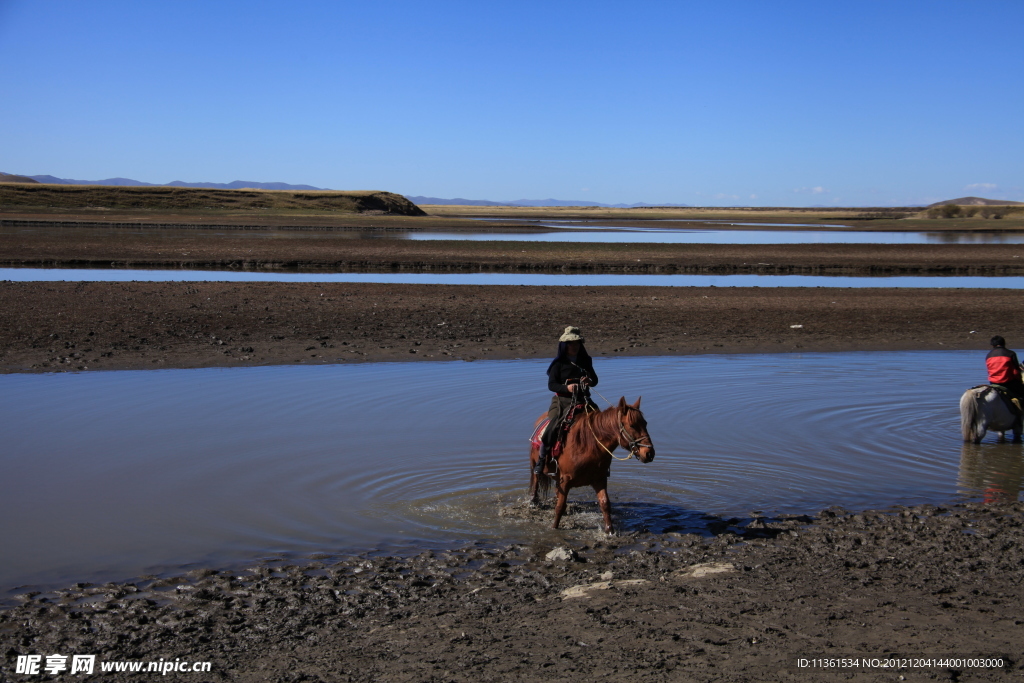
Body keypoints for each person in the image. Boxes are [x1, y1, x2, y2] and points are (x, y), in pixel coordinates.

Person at [534, 326, 599, 475]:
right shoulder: (558, 364)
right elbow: (551, 385)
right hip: (562, 401)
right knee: (554, 424)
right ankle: (542, 459)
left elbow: (595, 380)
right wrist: (567, 388)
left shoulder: (586, 361)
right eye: (571, 343)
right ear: (564, 345)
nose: (574, 346)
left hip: (584, 401)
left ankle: (601, 462)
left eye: (576, 343)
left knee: (601, 423)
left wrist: (589, 381)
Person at [986, 335, 1024, 407]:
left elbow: (989, 370)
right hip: (1008, 383)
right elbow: (1016, 371)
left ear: (992, 345)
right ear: (1004, 343)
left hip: (993, 382)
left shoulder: (989, 355)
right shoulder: (1010, 353)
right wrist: (1020, 381)